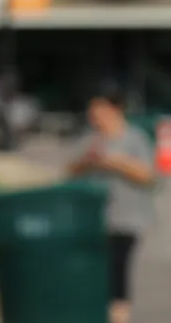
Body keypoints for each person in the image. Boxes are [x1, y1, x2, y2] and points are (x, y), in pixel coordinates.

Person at [68, 93, 157, 323]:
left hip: (127, 217)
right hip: (93, 219)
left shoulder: (134, 138)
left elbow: (147, 175)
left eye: (99, 110)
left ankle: (118, 316)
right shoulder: (90, 139)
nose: (95, 117)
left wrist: (115, 161)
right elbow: (69, 171)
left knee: (118, 269)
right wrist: (88, 161)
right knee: (94, 272)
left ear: (115, 110)